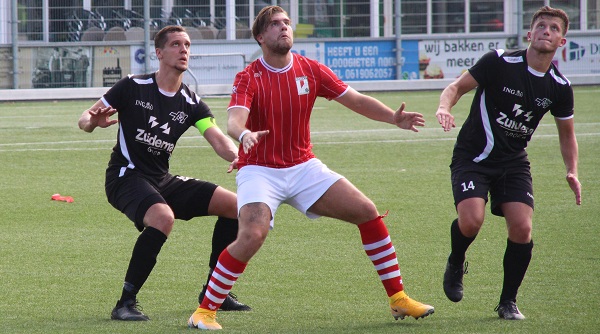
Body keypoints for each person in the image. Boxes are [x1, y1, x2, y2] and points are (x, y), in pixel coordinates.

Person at [188, 5, 434, 330]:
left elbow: (356, 99)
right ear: (261, 36)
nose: (284, 28)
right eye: (275, 24)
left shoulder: (311, 69)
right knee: (252, 234)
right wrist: (245, 134)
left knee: (367, 211)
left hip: (303, 167)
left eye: (287, 22)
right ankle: (204, 313)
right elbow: (235, 120)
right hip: (260, 170)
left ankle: (398, 299)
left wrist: (393, 117)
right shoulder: (248, 76)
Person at [77, 25, 251, 321]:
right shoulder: (132, 86)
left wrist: (239, 156)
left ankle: (215, 293)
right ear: (159, 53)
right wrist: (94, 122)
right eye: (176, 44)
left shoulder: (191, 102)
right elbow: (85, 119)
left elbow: (217, 137)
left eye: (187, 45)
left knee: (236, 207)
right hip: (125, 176)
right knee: (162, 217)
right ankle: (124, 303)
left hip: (161, 180)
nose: (184, 50)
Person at [435, 6, 581, 320]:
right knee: (472, 221)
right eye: (541, 25)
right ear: (530, 34)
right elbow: (456, 88)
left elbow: (567, 135)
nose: (547, 31)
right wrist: (445, 107)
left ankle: (507, 302)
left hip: (513, 163)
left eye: (554, 29)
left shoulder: (559, 87)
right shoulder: (499, 62)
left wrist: (572, 170)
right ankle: (456, 260)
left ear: (562, 42)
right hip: (473, 157)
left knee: (522, 227)